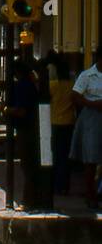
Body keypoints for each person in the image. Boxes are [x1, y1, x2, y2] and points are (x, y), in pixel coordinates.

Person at [7, 60, 41, 209]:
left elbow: (21, 111)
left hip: (26, 129)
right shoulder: (31, 86)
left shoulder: (22, 86)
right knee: (30, 166)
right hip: (32, 128)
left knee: (27, 166)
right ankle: (32, 199)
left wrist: (5, 110)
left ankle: (28, 201)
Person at [70, 51, 102, 209]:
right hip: (92, 117)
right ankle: (90, 194)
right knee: (91, 157)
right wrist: (92, 104)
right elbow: (75, 95)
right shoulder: (87, 76)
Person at [46, 52, 76, 196]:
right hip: (69, 123)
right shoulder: (72, 86)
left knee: (55, 156)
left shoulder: (53, 86)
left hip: (55, 122)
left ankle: (56, 185)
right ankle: (65, 185)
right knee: (65, 156)